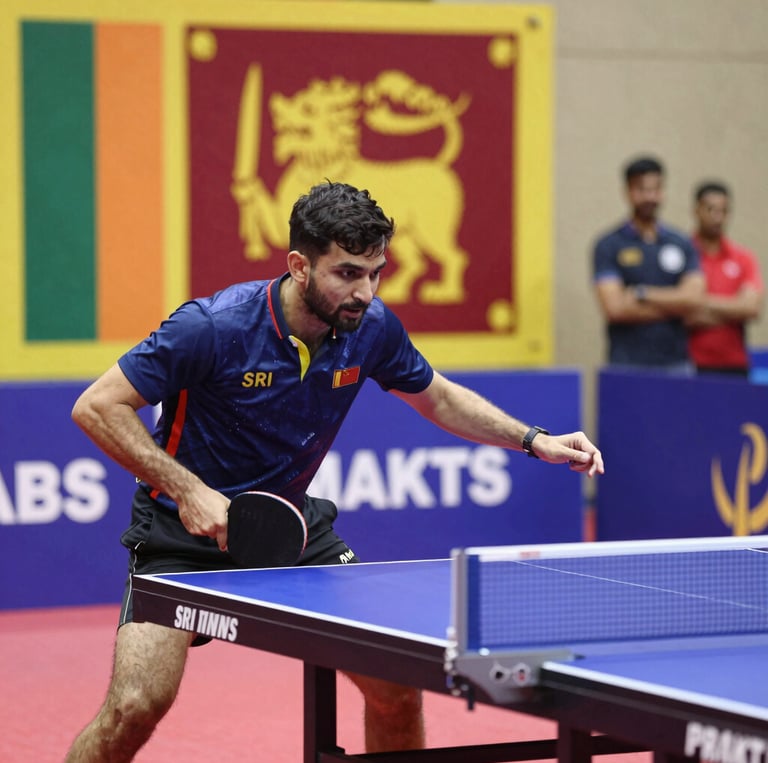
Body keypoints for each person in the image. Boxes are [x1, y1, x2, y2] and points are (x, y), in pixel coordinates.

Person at [65, 181, 603, 762]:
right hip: (181, 532)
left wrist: (534, 439)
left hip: (291, 527)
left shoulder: (370, 329)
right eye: (347, 273)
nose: (365, 292)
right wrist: (189, 490)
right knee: (135, 707)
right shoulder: (214, 327)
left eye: (375, 272)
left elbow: (439, 399)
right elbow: (96, 406)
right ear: (299, 265)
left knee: (396, 689)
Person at [592, 156, 705, 371]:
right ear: (627, 192)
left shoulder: (681, 242)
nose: (650, 197)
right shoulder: (608, 245)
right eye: (642, 189)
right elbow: (615, 308)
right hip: (626, 364)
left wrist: (641, 294)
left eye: (656, 189)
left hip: (677, 364)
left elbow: (694, 300)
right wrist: (676, 305)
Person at [686, 181, 764, 377]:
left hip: (735, 364)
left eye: (724, 211)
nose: (718, 217)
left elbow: (751, 308)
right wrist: (732, 310)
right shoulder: (683, 255)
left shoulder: (743, 258)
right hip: (691, 363)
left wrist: (700, 303)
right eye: (711, 209)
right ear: (696, 211)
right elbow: (682, 314)